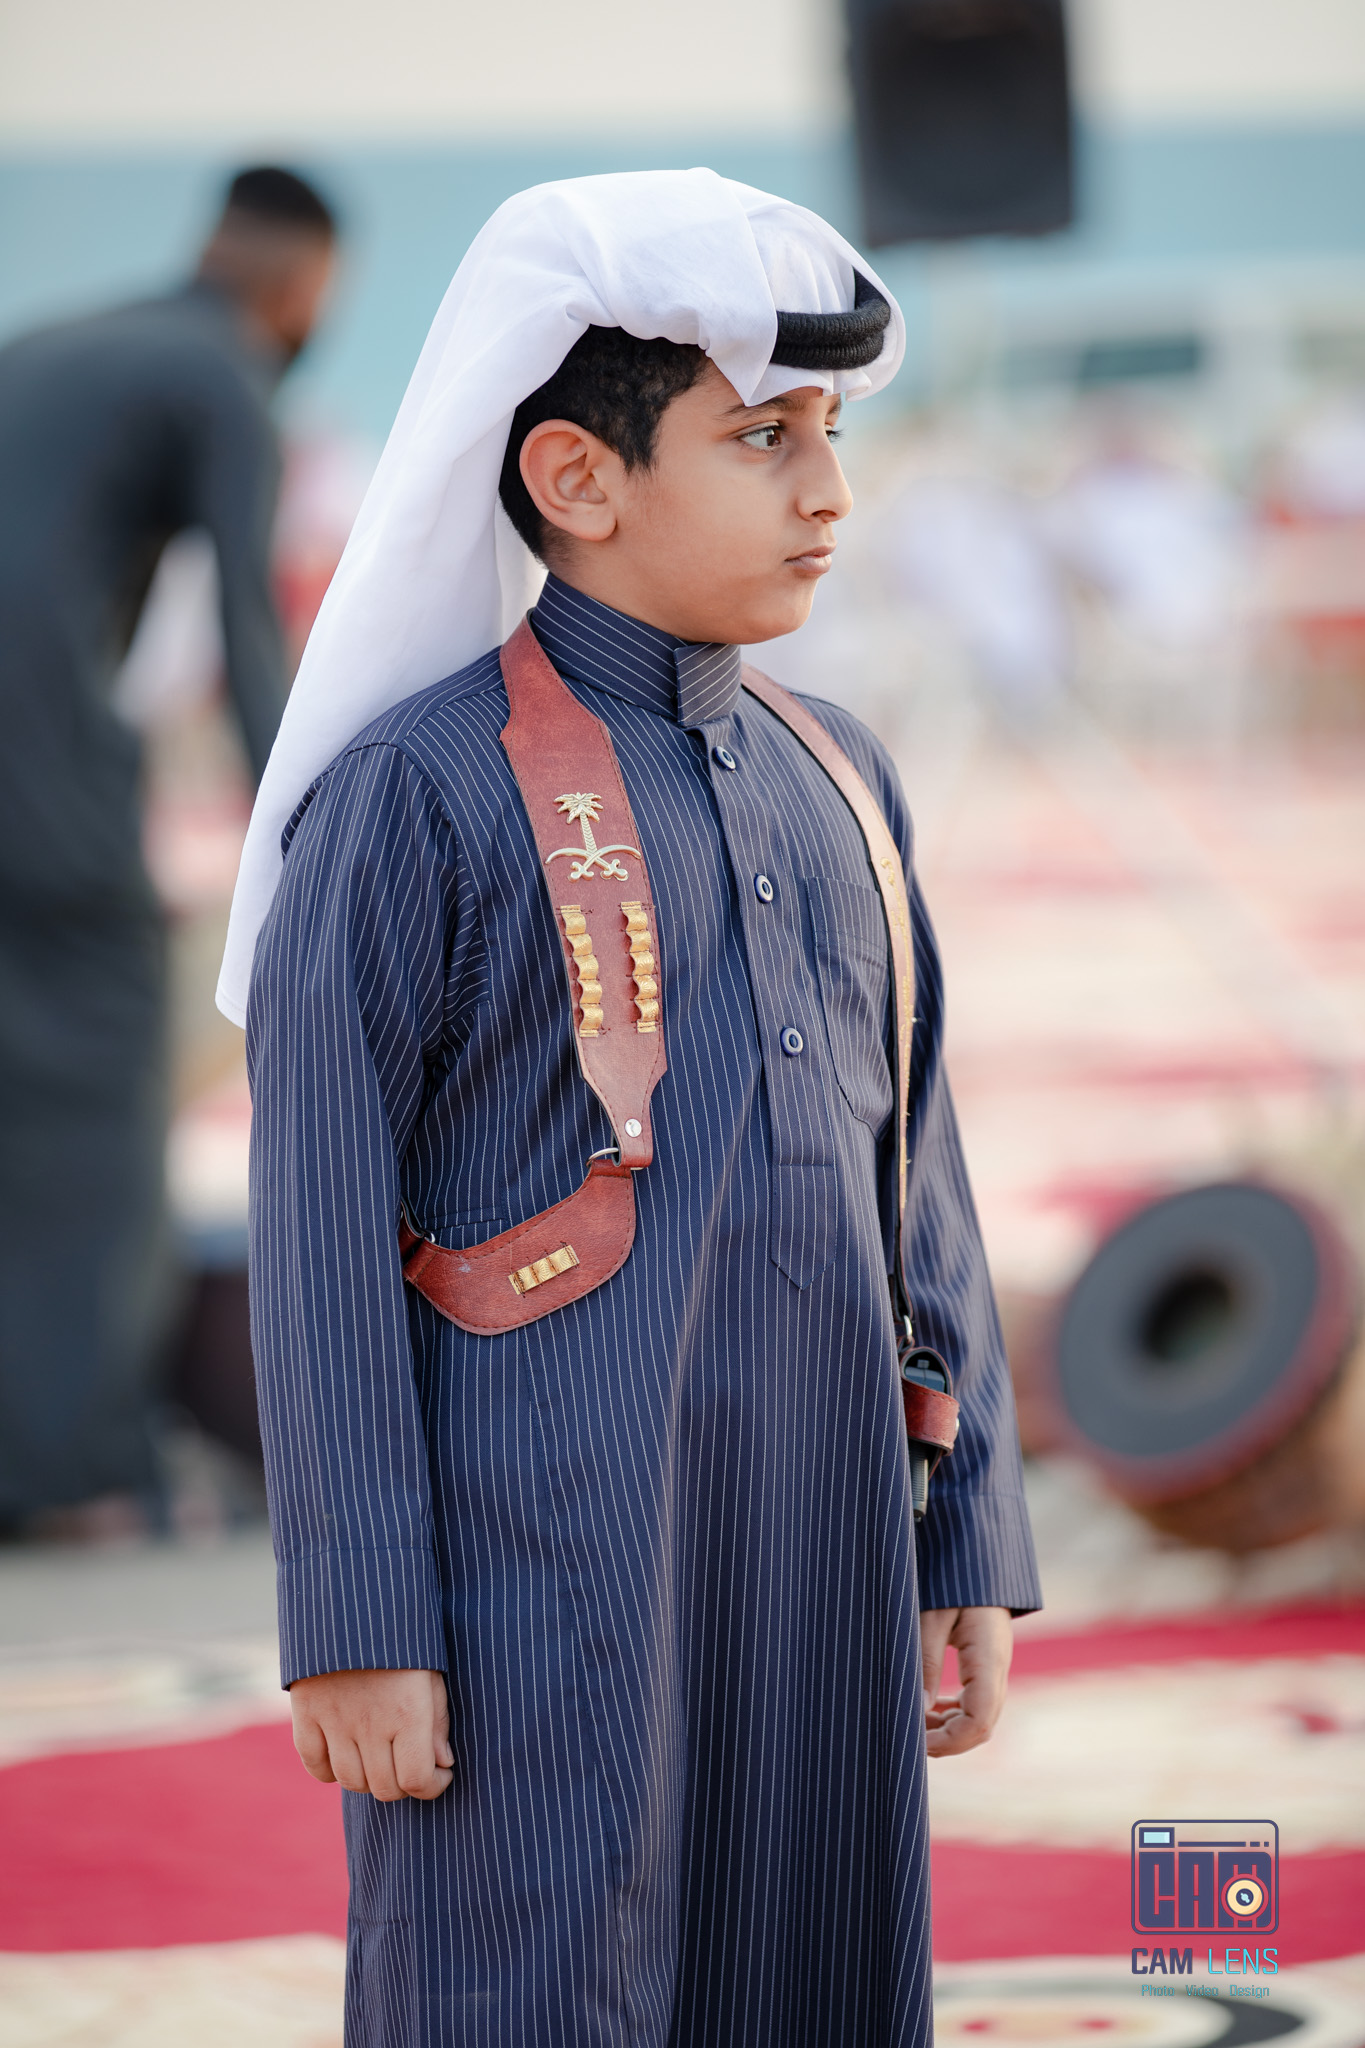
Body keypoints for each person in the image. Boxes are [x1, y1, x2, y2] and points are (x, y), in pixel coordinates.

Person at [226, 172, 1040, 2045]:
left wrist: (965, 1535)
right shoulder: (413, 797)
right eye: (762, 439)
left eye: (830, 434)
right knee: (537, 1983)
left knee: (816, 1969)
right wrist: (358, 1619)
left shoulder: (843, 776)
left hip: (826, 1541)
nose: (827, 492)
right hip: (534, 1575)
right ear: (576, 478)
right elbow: (318, 1233)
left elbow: (917, 1180)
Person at [0, 166, 337, 1533]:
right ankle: (76, 1474)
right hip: (37, 776)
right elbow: (253, 639)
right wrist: (318, 842)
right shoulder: (220, 376)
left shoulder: (57, 346)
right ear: (305, 285)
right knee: (98, 1085)